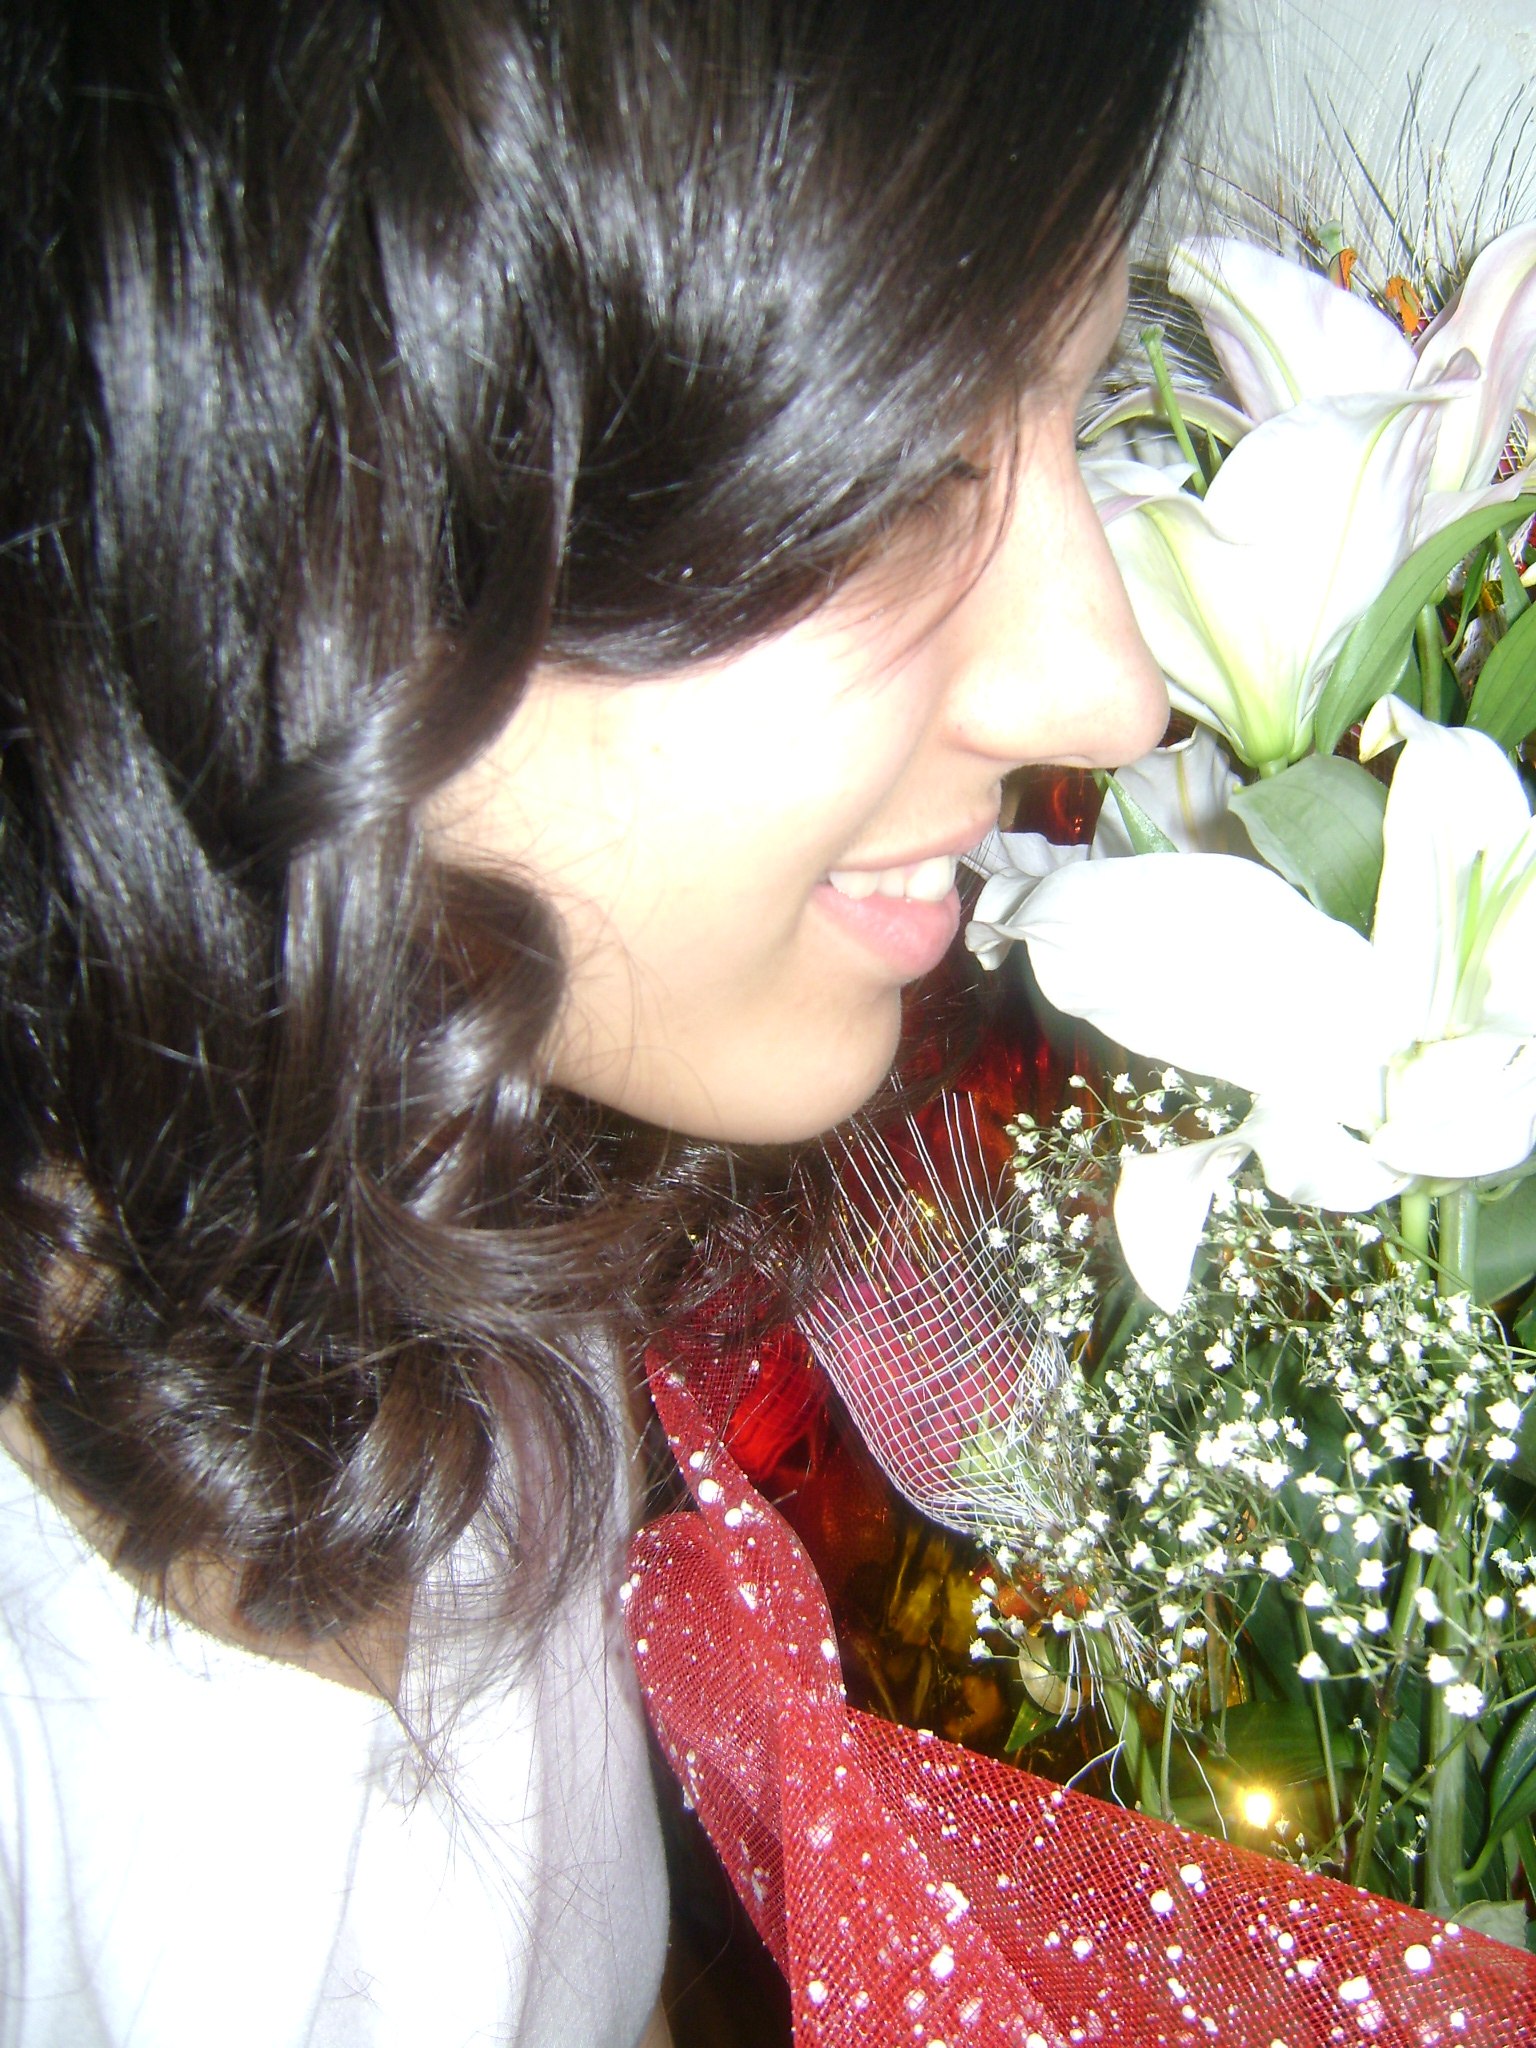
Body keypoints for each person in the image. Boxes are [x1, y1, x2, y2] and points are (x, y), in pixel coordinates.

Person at [0, 3, 1202, 2042]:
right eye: (901, 462)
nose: (1114, 688)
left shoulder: (475, 1174)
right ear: (298, 489)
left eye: (1072, 413)